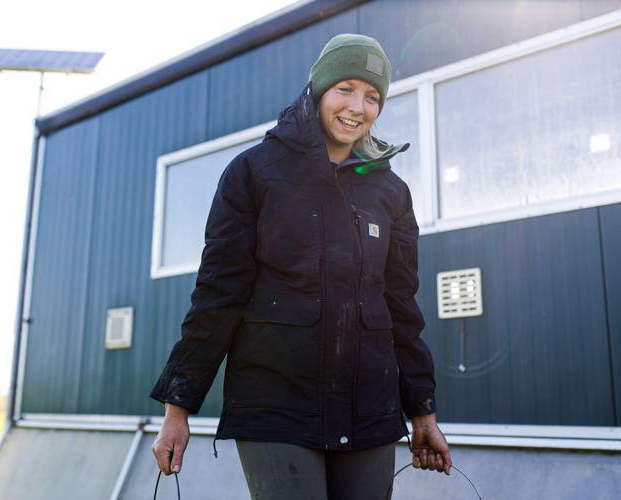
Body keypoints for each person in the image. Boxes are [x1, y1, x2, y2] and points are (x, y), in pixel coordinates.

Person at [150, 33, 451, 499]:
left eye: (373, 96)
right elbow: (218, 295)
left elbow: (401, 310)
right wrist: (178, 410)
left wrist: (422, 411)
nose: (358, 106)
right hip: (276, 406)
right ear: (318, 89)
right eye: (346, 88)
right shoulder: (254, 174)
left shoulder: (390, 192)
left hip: (368, 409)